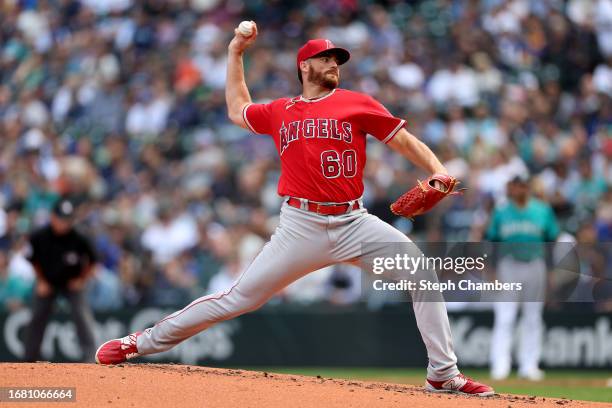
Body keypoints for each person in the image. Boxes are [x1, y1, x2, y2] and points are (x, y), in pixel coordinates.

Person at [96, 23, 493, 396]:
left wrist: (438, 169)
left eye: (337, 60)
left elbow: (403, 140)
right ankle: (139, 343)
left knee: (421, 273)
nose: (334, 64)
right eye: (326, 58)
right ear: (304, 66)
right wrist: (235, 53)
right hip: (300, 225)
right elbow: (238, 109)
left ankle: (442, 374)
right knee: (238, 298)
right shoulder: (281, 110)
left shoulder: (358, 103)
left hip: (353, 221)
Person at [486, 174, 560, 381]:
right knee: (505, 317)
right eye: (516, 186)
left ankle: (530, 365)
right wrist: (492, 271)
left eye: (523, 186)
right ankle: (500, 365)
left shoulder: (542, 210)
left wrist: (551, 270)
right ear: (511, 188)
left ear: (528, 188)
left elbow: (551, 241)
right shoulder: (501, 211)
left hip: (535, 264)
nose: (519, 190)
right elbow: (492, 242)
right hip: (508, 265)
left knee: (533, 317)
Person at [24, 198, 98, 362]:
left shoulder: (80, 237)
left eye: (67, 220)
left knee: (82, 315)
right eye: (61, 218)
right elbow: (33, 260)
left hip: (71, 283)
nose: (64, 223)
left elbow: (93, 261)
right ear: (52, 217)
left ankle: (90, 356)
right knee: (37, 317)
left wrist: (81, 280)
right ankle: (29, 358)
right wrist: (41, 280)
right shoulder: (39, 236)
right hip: (48, 282)